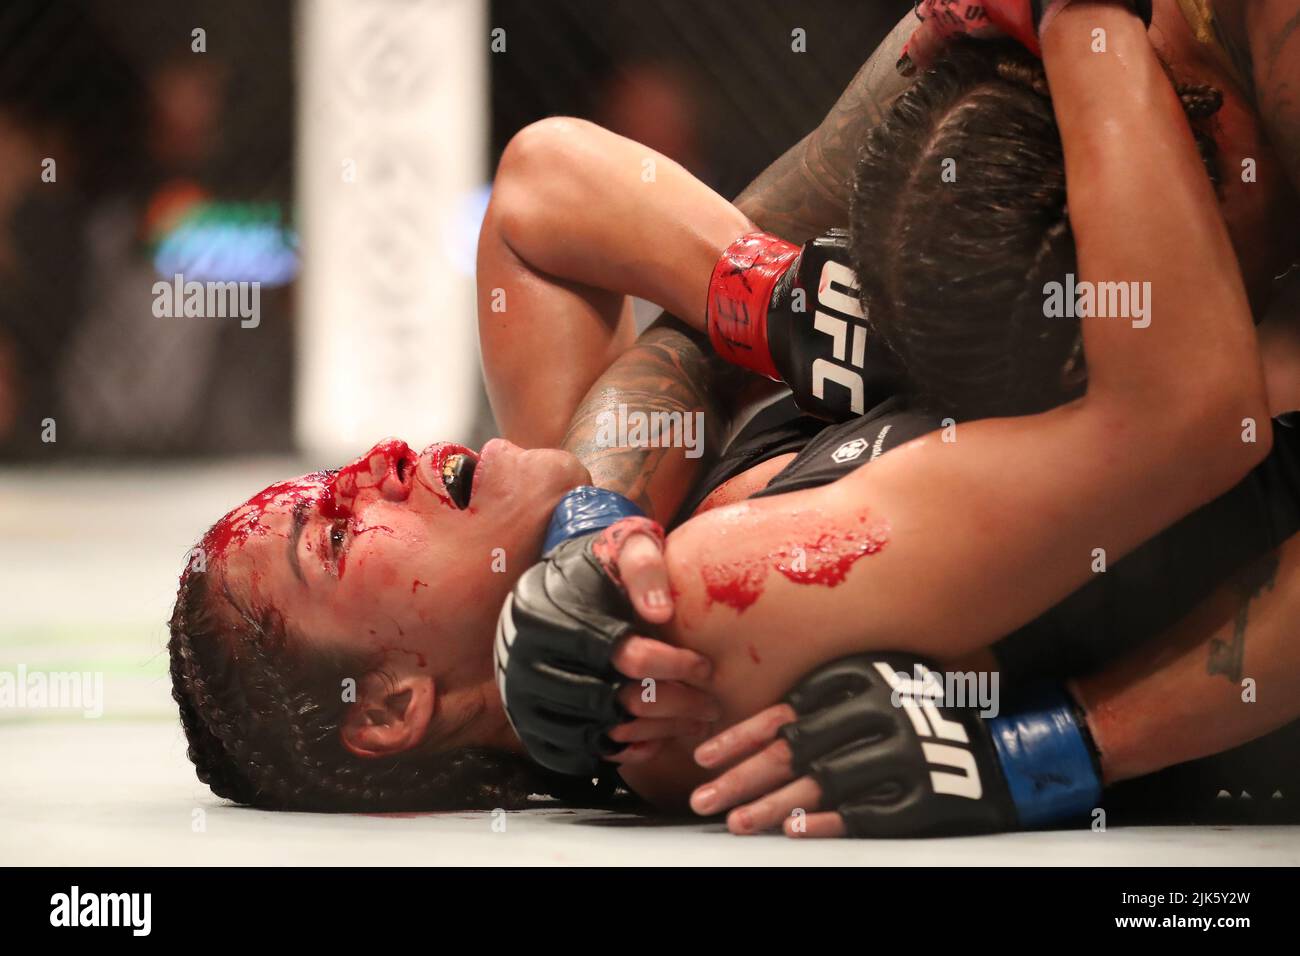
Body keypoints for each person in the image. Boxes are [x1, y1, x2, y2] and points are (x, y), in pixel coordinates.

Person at [170, 3, 1290, 830]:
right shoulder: (693, 614)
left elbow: (538, 191)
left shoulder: (610, 527)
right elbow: (1187, 419)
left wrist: (759, 330)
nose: (376, 461)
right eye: (330, 530)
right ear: (394, 705)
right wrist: (1079, 19)